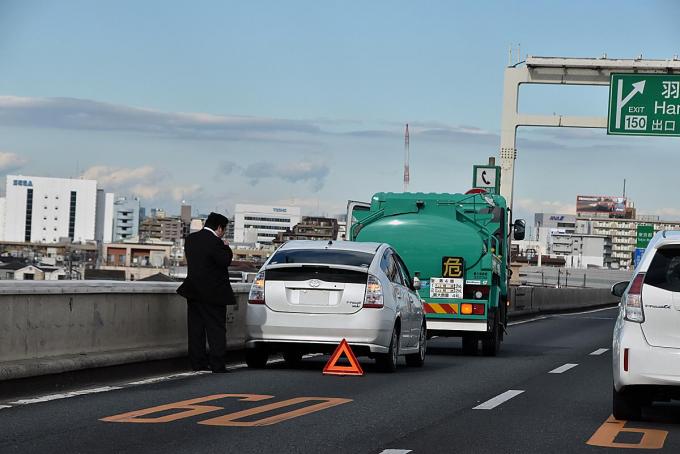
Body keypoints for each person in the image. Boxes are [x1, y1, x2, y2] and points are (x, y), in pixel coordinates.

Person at [177, 212, 236, 373]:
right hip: (214, 293)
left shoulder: (191, 239)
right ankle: (217, 365)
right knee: (216, 329)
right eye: (224, 229)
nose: (223, 232)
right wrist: (226, 246)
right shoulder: (216, 242)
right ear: (219, 228)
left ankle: (198, 363)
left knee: (196, 330)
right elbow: (225, 261)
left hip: (193, 291)